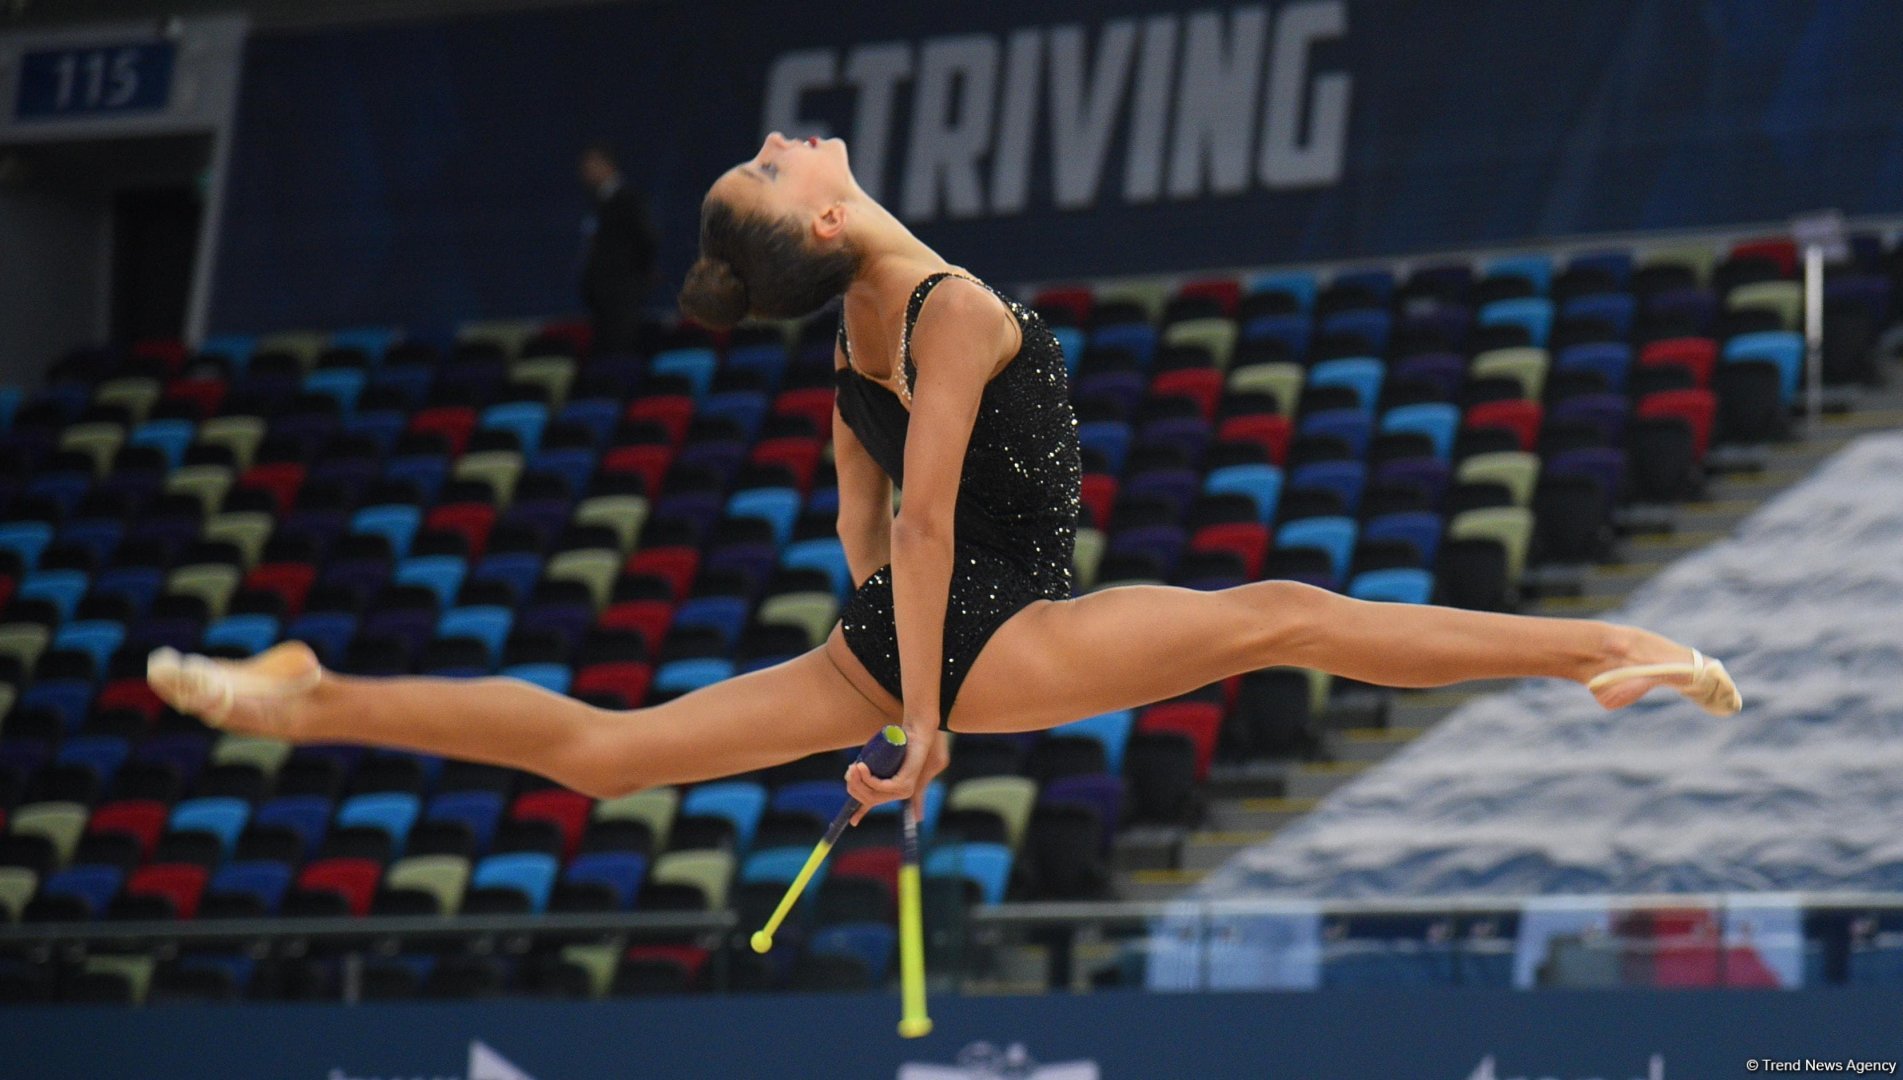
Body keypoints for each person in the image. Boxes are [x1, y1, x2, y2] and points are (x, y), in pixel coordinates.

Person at [148, 132, 1742, 824]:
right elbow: (908, 517)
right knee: (1283, 613)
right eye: (773, 171)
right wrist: (922, 720)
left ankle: (318, 693)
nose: (789, 148)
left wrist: (885, 673)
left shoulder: (852, 318)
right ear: (824, 218)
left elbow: (859, 513)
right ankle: (1598, 649)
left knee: (608, 755)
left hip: (909, 631)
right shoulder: (944, 309)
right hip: (976, 628)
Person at [578, 141, 657, 355]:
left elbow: (646, 239)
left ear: (608, 165)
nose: (584, 171)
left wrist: (634, 279)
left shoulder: (628, 199)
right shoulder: (598, 200)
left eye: (591, 164)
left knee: (621, 349)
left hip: (622, 292)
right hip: (602, 295)